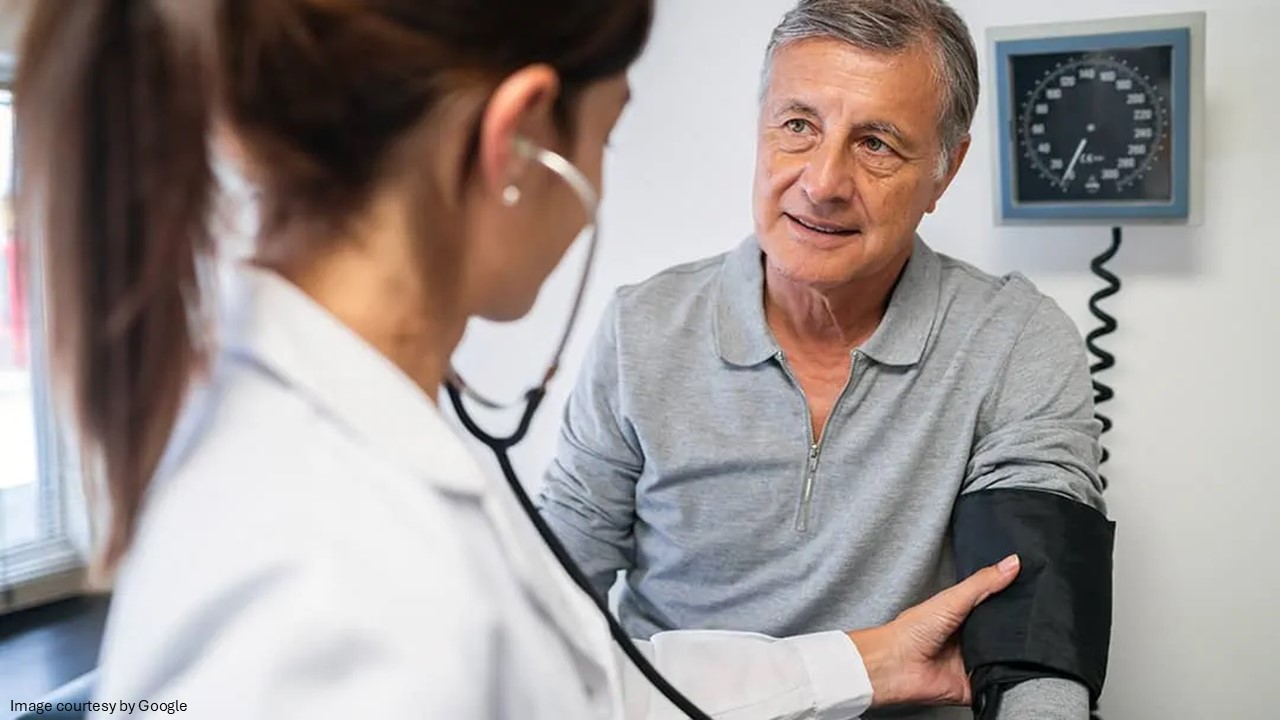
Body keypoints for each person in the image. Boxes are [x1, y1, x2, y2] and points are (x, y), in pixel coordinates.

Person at [16, 1, 1026, 718]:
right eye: (606, 135)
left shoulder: (366, 464)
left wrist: (856, 662)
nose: (820, 180)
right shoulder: (328, 572)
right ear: (517, 143)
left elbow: (594, 691)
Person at [537, 1, 1112, 718]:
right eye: (798, 125)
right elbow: (548, 608)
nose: (823, 182)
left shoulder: (1014, 339)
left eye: (876, 143)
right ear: (760, 131)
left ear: (945, 170)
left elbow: (1039, 642)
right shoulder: (640, 330)